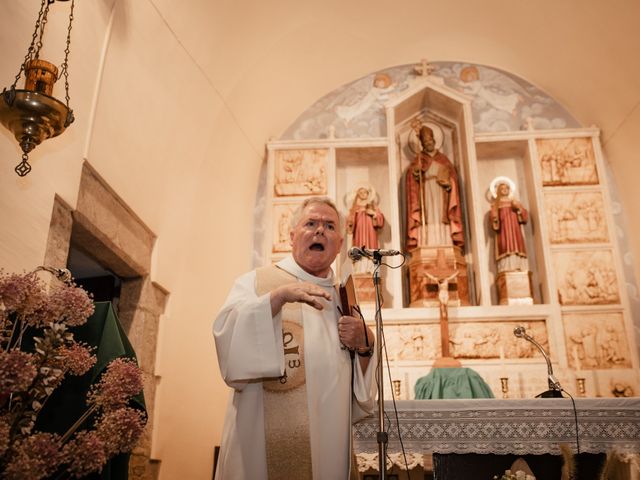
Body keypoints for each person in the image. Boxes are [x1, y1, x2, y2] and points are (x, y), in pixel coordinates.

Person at [213, 197, 377, 480]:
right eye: (310, 223)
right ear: (291, 236)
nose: (319, 231)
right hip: (262, 441)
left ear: (339, 244)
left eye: (329, 226)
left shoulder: (344, 296)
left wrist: (367, 342)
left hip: (330, 436)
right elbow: (227, 338)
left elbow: (361, 393)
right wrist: (276, 300)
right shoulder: (257, 282)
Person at [405, 124, 464, 250]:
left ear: (435, 141)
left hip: (441, 192)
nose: (428, 143)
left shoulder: (443, 159)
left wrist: (449, 184)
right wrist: (416, 171)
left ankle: (445, 241)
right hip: (426, 190)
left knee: (441, 216)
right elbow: (412, 179)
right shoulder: (419, 159)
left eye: (430, 140)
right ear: (422, 144)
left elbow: (453, 177)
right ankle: (427, 243)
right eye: (425, 141)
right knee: (428, 216)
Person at [489, 178, 529, 272]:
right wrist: (494, 217)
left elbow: (524, 216)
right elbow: (493, 218)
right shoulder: (496, 204)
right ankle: (506, 267)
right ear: (498, 191)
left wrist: (519, 208)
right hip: (504, 230)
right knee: (504, 245)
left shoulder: (514, 202)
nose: (505, 190)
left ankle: (518, 265)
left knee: (516, 244)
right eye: (502, 189)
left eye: (507, 188)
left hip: (514, 229)